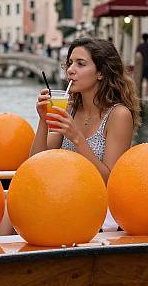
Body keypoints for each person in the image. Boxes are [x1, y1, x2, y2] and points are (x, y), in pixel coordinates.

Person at [31, 37, 141, 232]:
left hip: (95, 206)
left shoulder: (118, 115)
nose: (70, 70)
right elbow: (36, 164)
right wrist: (43, 120)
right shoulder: (70, 108)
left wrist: (77, 138)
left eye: (81, 64)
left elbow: (110, 182)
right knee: (11, 204)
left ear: (100, 72)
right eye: (70, 63)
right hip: (63, 196)